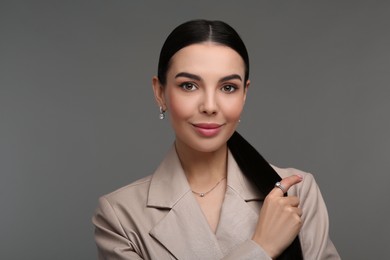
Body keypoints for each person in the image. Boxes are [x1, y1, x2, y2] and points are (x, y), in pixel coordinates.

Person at [92, 19, 340, 259]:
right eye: (189, 85)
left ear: (244, 94)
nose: (210, 106)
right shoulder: (120, 215)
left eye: (228, 87)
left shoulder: (296, 192)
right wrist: (260, 248)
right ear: (160, 93)